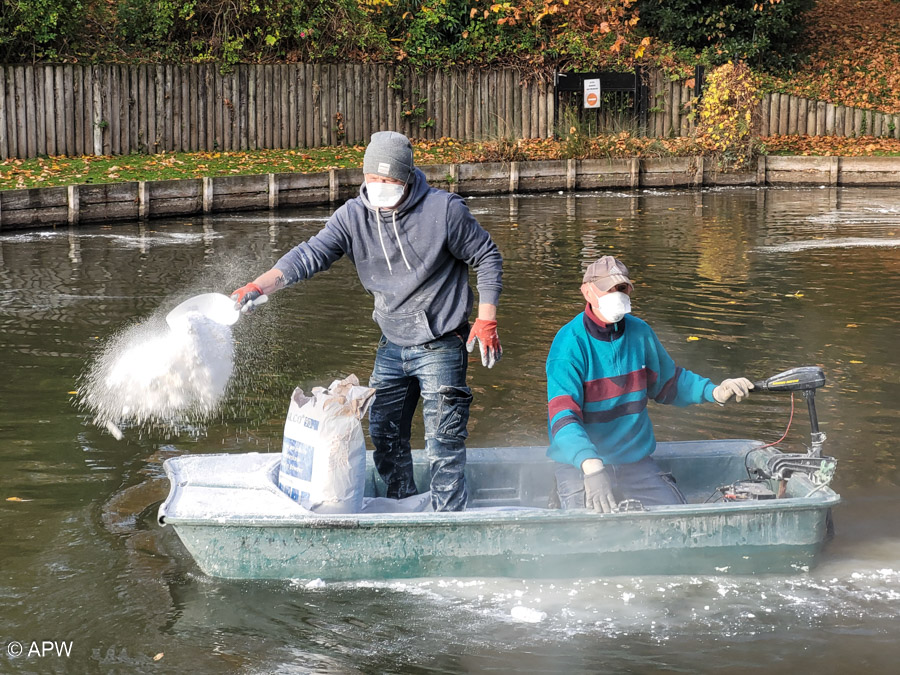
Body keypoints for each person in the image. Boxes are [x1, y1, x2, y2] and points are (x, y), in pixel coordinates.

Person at [230, 131, 503, 512]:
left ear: (407, 179)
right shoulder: (352, 216)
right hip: (392, 339)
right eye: (373, 180)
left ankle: (448, 518)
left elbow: (487, 256)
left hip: (441, 340)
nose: (380, 188)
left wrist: (486, 318)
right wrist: (257, 287)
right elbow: (310, 254)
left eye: (389, 182)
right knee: (384, 434)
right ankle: (402, 505)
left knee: (443, 440)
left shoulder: (444, 212)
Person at [546, 256, 753, 513]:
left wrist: (714, 391)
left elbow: (669, 383)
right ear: (587, 291)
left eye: (621, 289)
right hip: (581, 465)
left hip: (634, 462)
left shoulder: (640, 332)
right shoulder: (569, 344)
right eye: (608, 289)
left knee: (679, 519)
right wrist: (590, 465)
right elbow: (563, 418)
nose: (617, 295)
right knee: (586, 532)